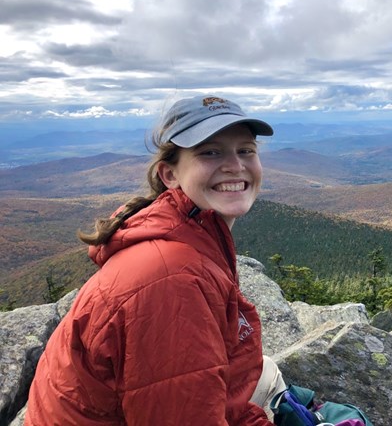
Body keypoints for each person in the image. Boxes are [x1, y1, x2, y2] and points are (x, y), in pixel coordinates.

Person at [25, 94, 286, 425]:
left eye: (246, 150)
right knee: (270, 383)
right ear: (169, 175)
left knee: (266, 372)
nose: (235, 165)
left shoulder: (185, 235)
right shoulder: (171, 280)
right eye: (210, 151)